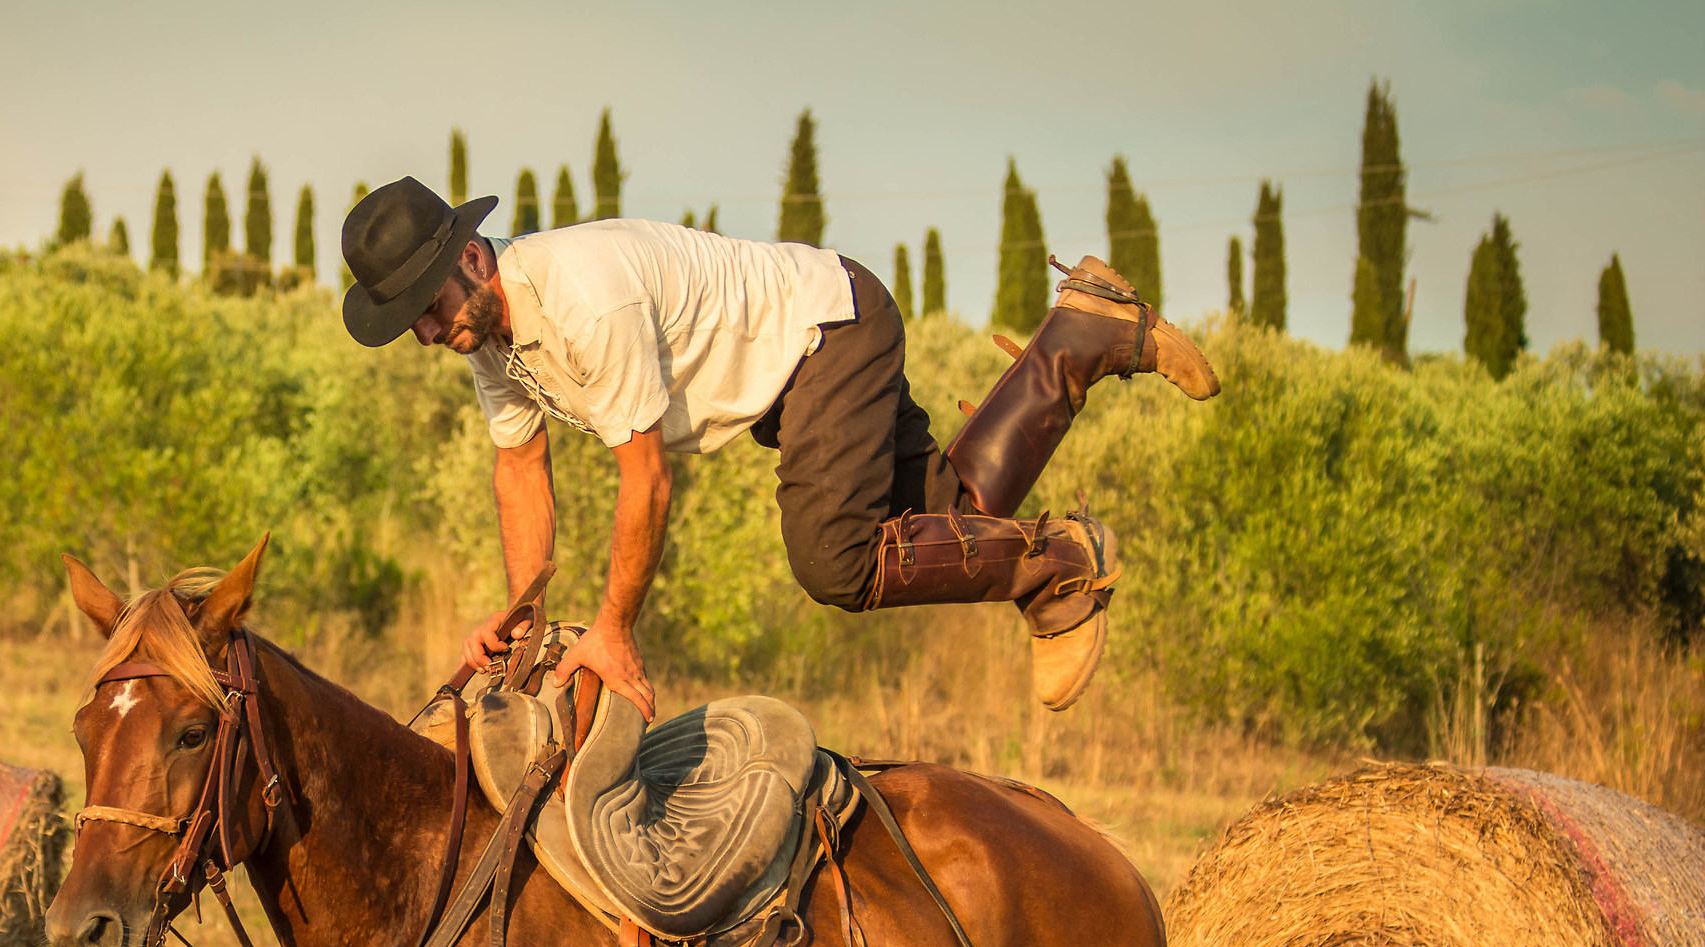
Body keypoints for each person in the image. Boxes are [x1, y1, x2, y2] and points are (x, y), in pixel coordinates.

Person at [338, 177, 1218, 717]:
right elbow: (518, 467)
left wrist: (612, 632)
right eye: (408, 317)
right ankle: (1083, 334)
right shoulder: (485, 335)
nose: (423, 332)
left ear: (473, 262)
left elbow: (643, 481)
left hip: (828, 333)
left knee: (834, 562)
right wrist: (525, 612)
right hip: (806, 357)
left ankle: (1062, 563)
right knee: (955, 523)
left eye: (426, 305)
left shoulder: (580, 298)